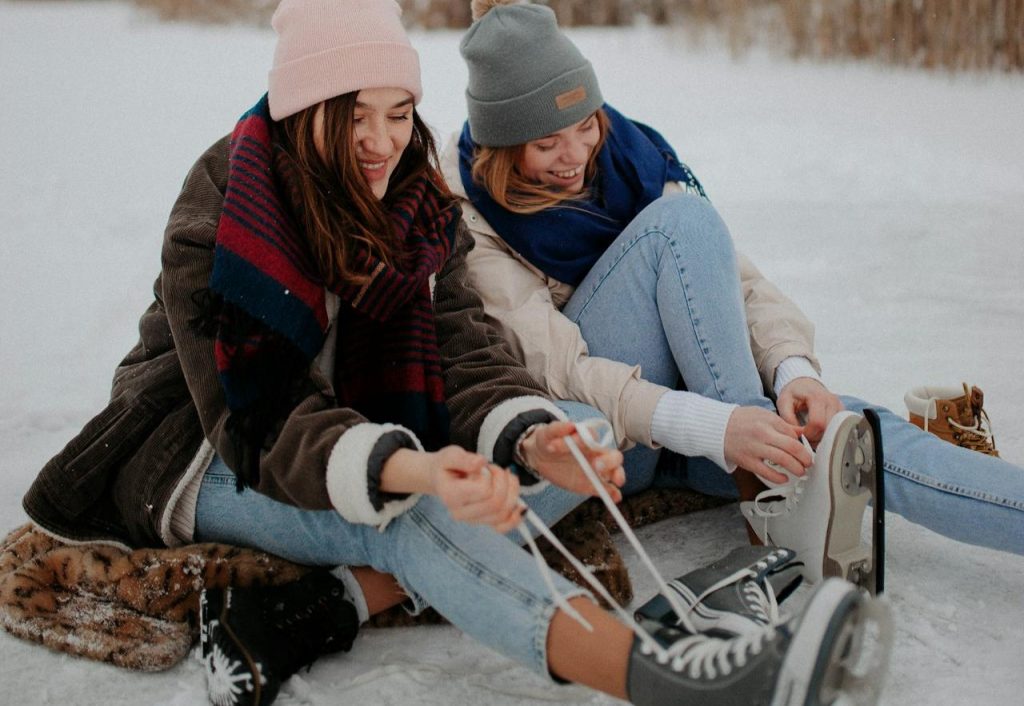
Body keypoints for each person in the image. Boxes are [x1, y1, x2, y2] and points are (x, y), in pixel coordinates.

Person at [18, 2, 890, 706]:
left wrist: (533, 438)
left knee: (575, 428)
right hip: (207, 449)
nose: (381, 140)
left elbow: (466, 350)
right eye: (351, 116)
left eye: (398, 114)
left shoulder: (412, 198)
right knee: (419, 514)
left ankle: (328, 603)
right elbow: (266, 416)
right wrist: (419, 472)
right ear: (301, 115)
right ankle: (669, 677)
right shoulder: (223, 214)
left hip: (353, 418)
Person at [445, 0, 1024, 571]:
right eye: (547, 145)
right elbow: (556, 367)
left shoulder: (628, 158)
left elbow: (728, 280)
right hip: (615, 437)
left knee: (849, 433)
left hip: (705, 417)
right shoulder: (469, 210)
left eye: (585, 125)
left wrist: (794, 371)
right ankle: (766, 486)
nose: (576, 156)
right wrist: (723, 425)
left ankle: (778, 475)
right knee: (679, 229)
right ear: (502, 148)